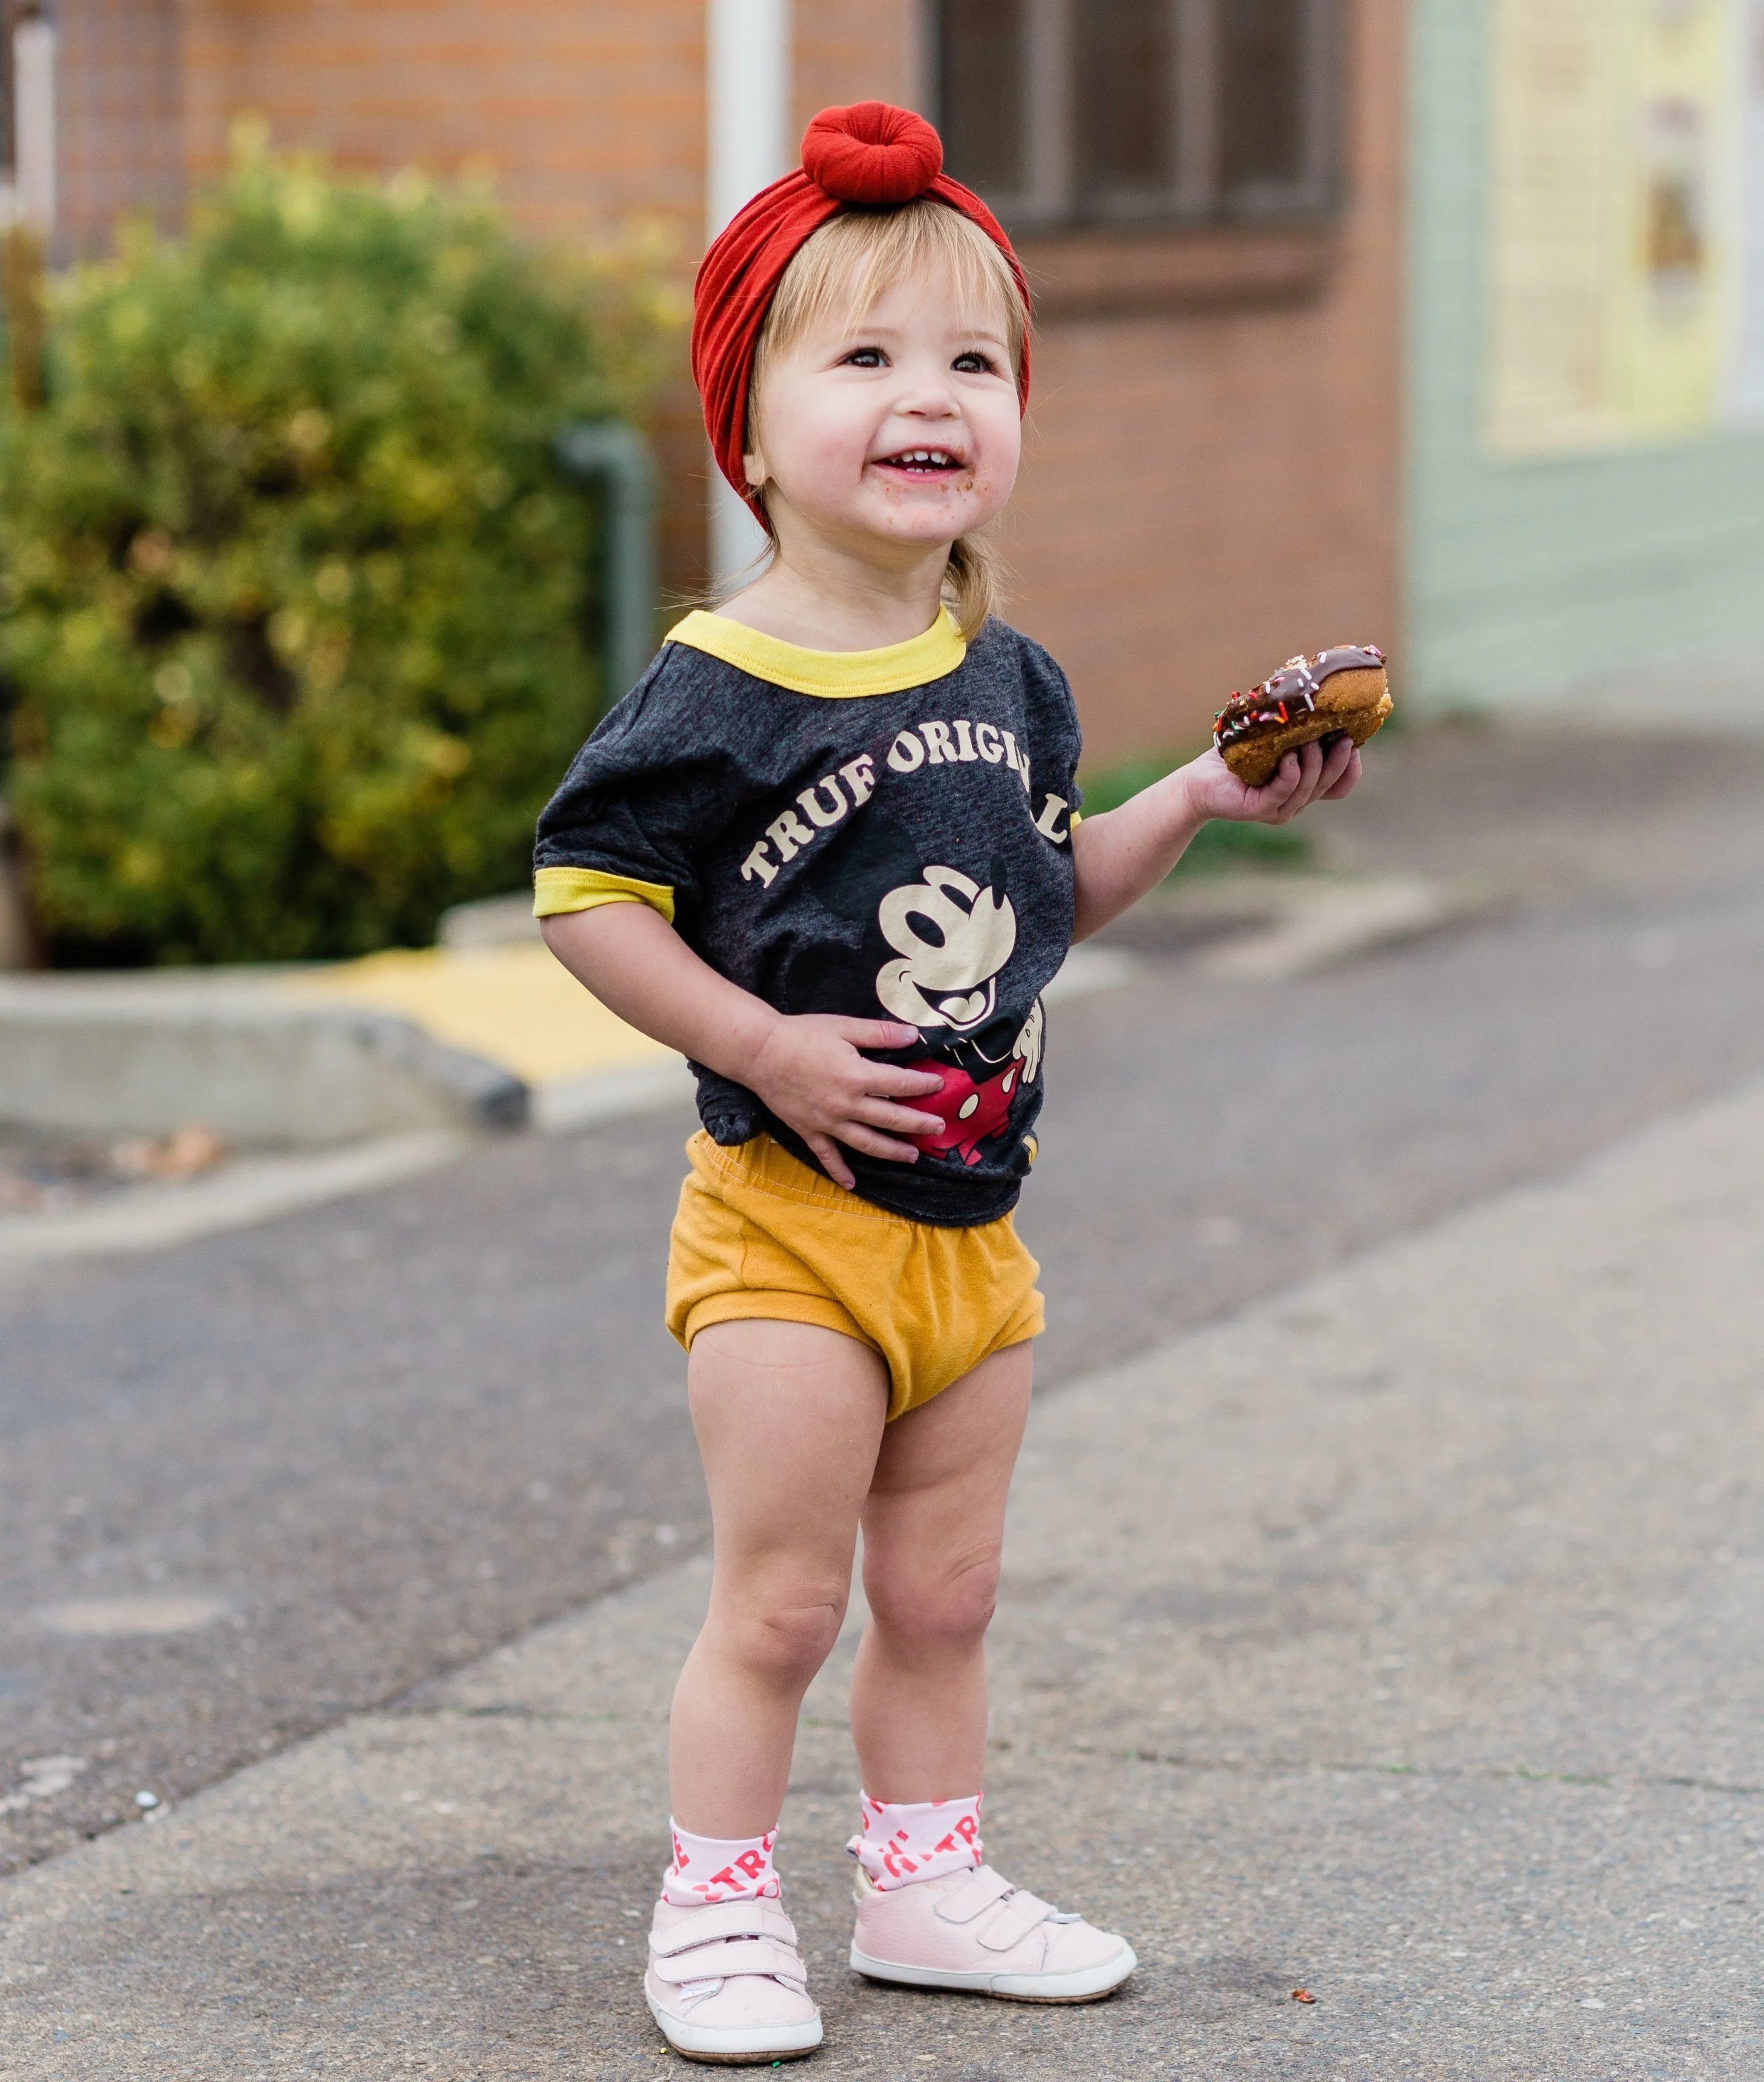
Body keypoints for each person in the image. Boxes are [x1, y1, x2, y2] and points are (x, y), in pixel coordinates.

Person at [534, 101, 1362, 2066]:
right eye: (869, 356)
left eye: (973, 363)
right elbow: (581, 902)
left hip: (973, 1232)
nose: (933, 398)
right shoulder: (710, 688)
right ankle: (719, 1914)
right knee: (783, 1606)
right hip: (788, 1231)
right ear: (748, 426)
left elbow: (1043, 896)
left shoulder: (1011, 675)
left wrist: (1197, 795)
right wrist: (753, 1042)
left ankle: (921, 1884)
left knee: (950, 1589)